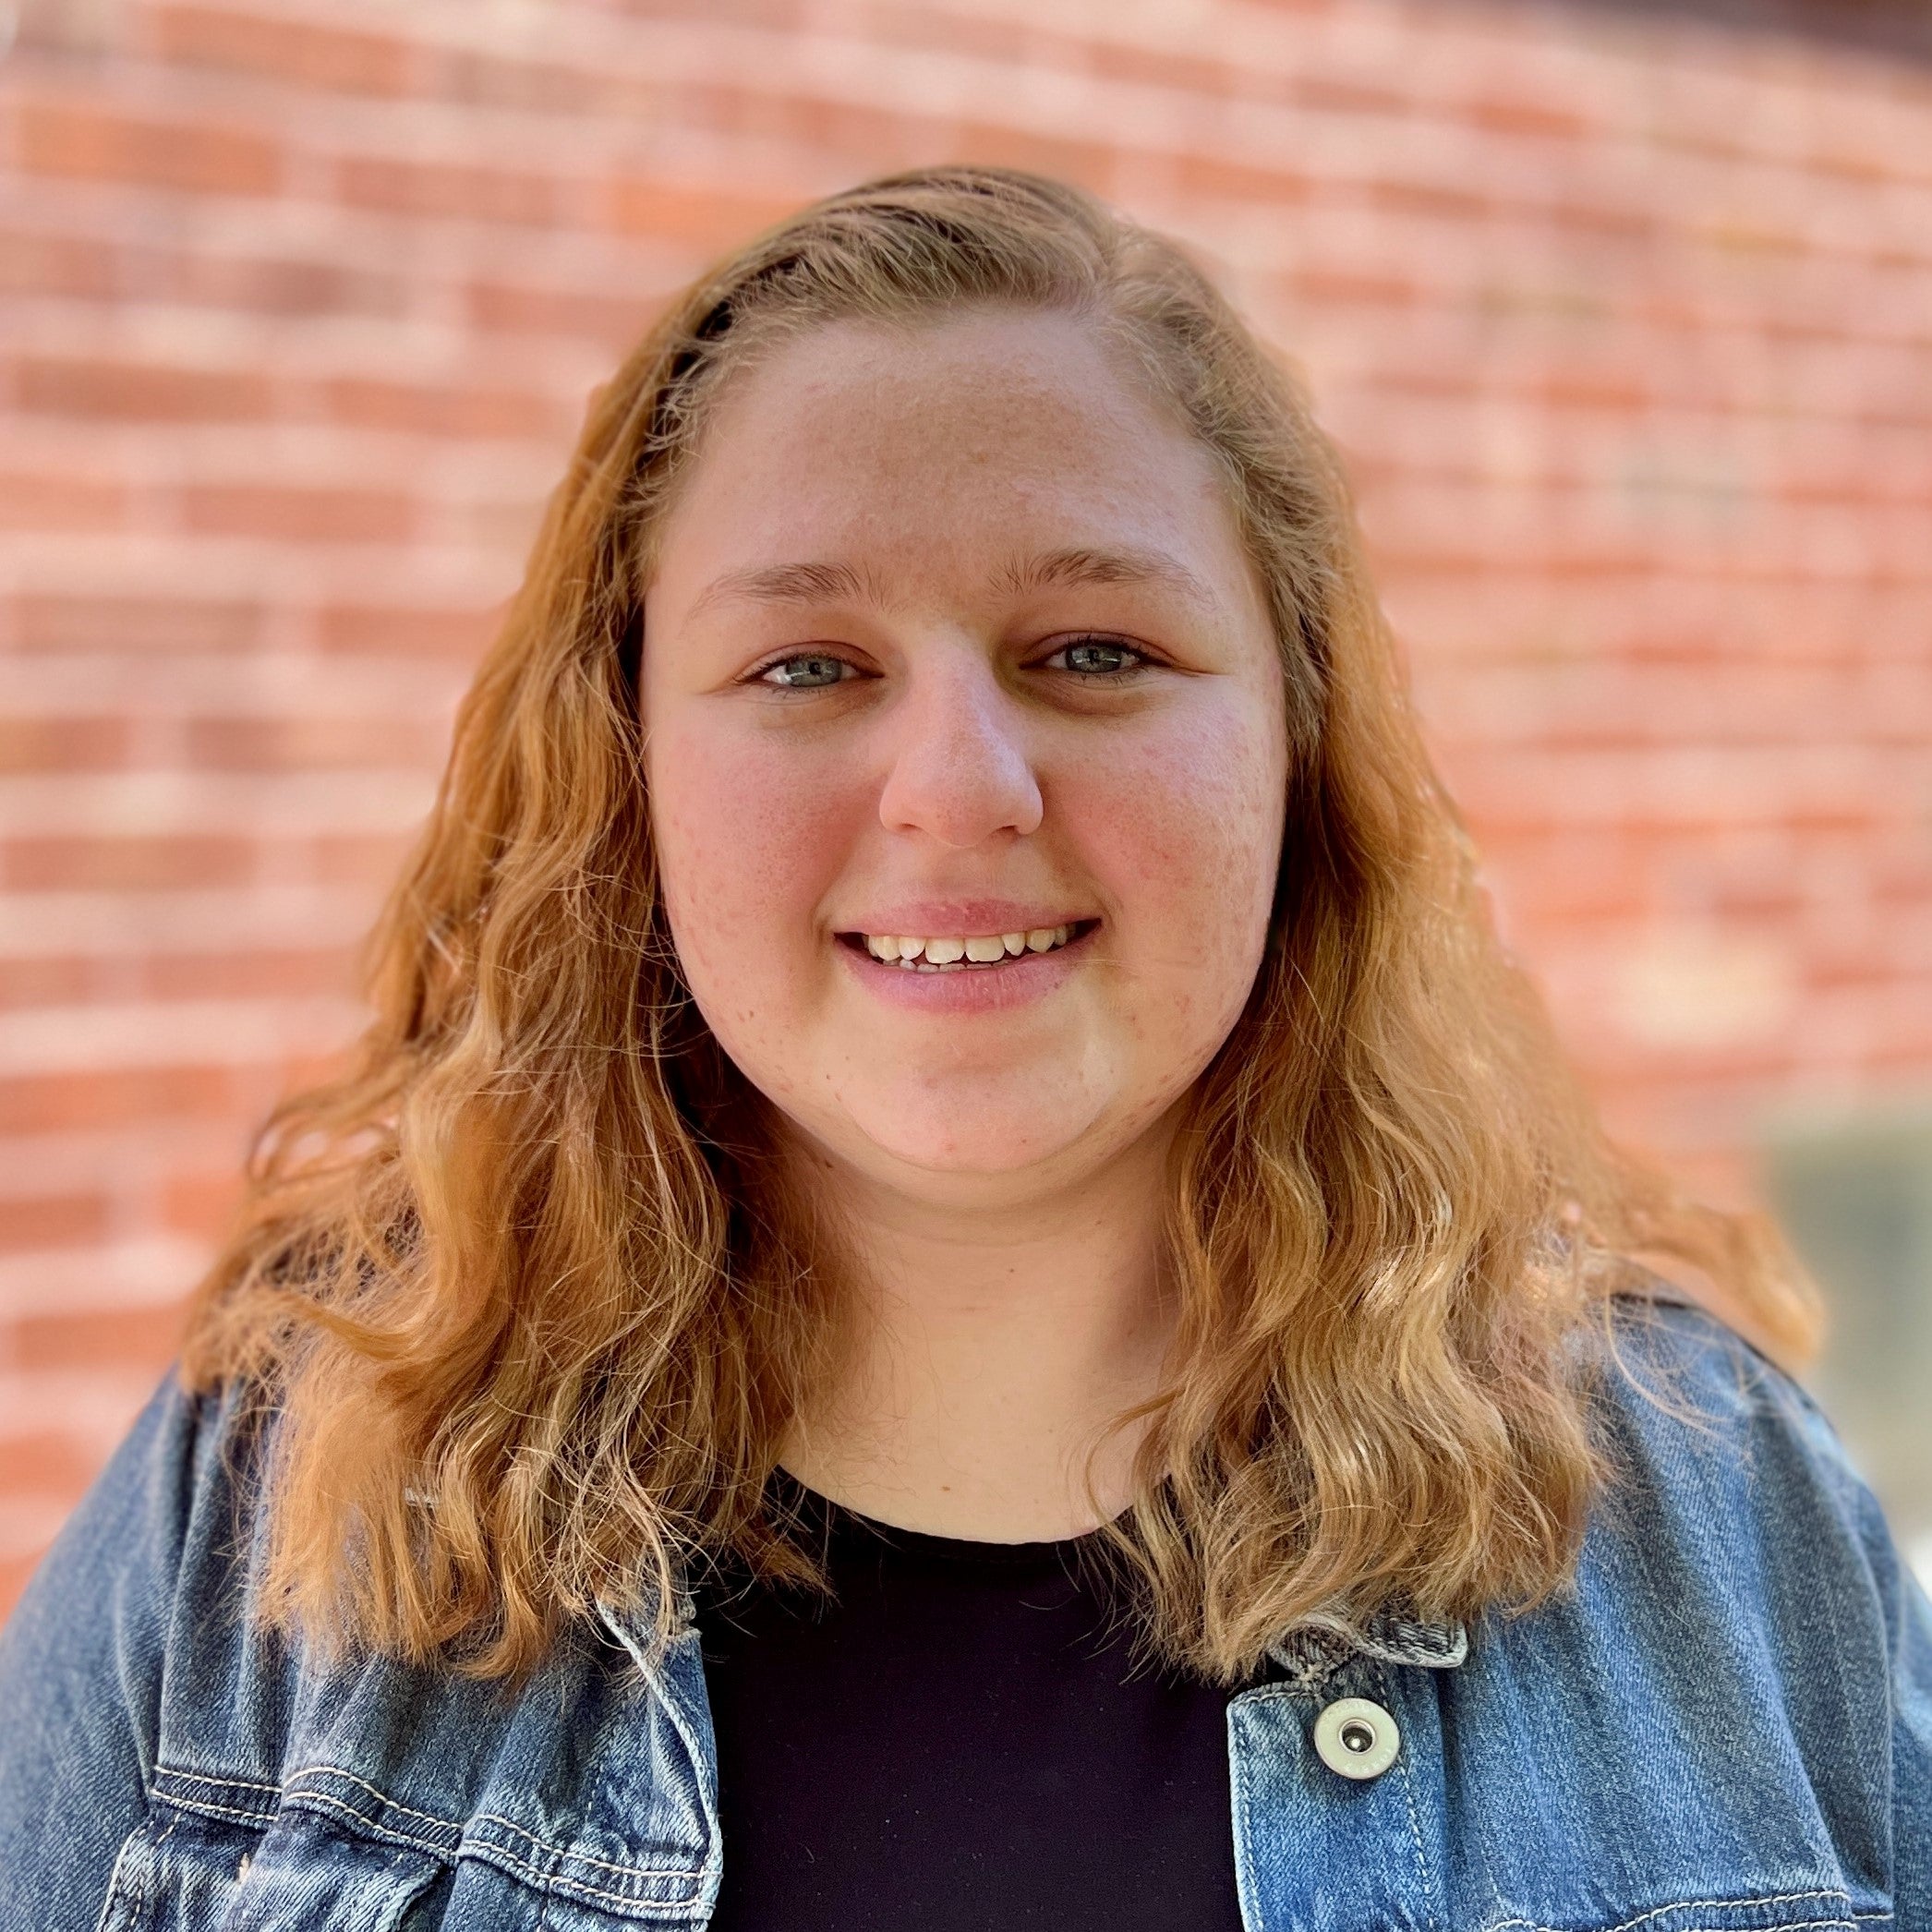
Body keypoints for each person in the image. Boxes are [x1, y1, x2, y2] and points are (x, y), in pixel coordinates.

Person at [0, 165, 1925, 1931]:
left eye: (1090, 649)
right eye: (806, 666)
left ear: (1289, 743)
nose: (955, 789)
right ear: (627, 771)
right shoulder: (275, 1498)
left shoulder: (1701, 1504)